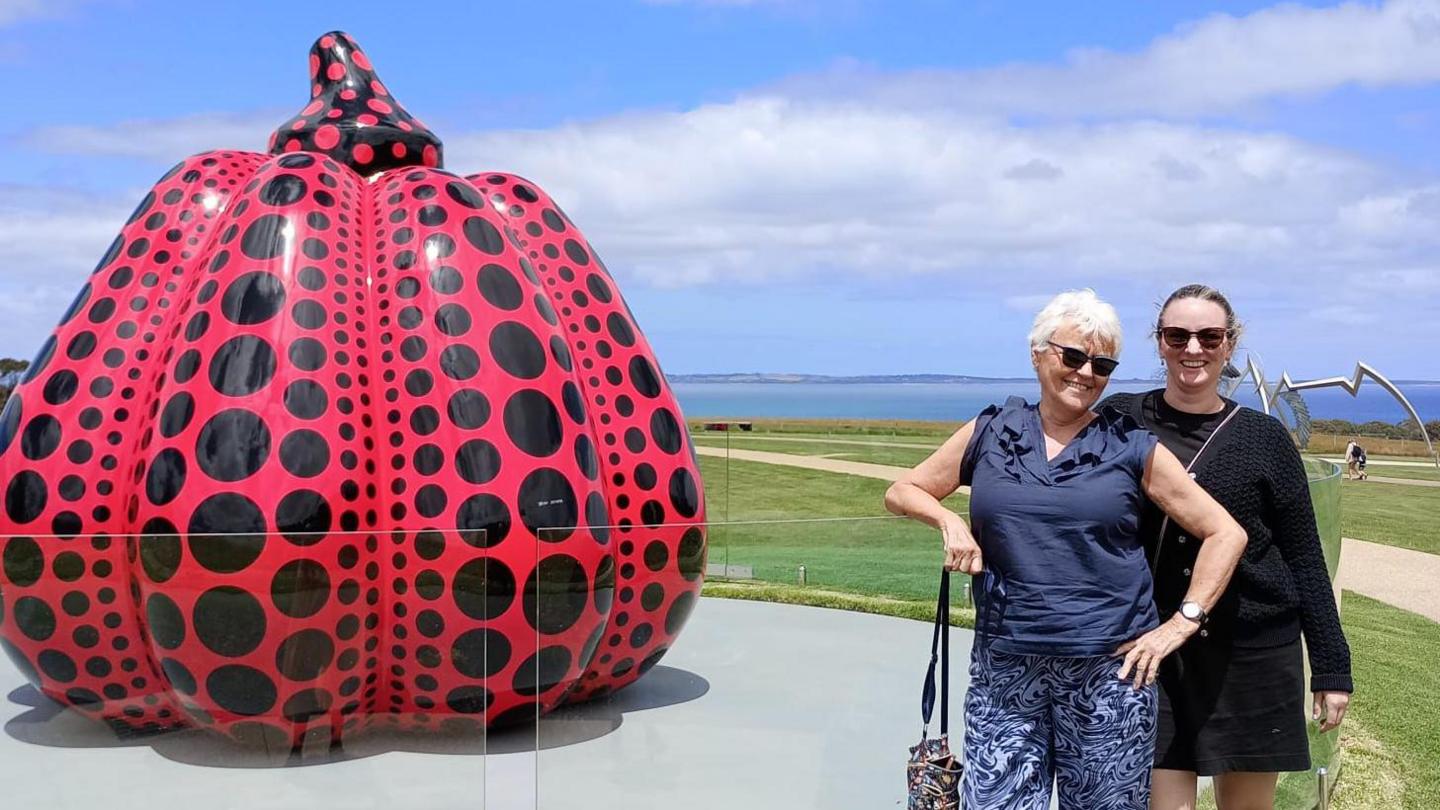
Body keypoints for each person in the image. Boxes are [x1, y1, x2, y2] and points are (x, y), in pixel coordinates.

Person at [884, 289, 1248, 810]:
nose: (1085, 373)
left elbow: (1225, 532)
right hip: (1006, 665)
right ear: (1038, 354)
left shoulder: (1130, 445)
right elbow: (903, 491)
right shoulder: (992, 431)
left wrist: (1180, 624)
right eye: (1072, 356)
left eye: (1102, 364)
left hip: (1110, 670)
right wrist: (948, 521)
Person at [1100, 284, 1353, 810]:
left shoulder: (1264, 438)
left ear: (1229, 344)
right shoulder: (1120, 418)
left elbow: (1304, 557)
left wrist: (1331, 669)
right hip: (1156, 651)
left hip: (1254, 651)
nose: (1193, 349)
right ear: (1160, 342)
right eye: (1178, 335)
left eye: (1209, 336)